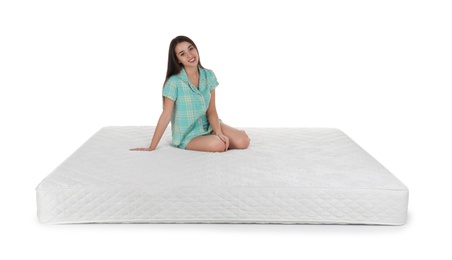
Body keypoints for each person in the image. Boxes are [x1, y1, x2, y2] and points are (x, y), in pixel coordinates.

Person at [130, 36, 250, 152]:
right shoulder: (174, 82)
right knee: (219, 144)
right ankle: (215, 139)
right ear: (178, 59)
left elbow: (212, 111)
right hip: (188, 135)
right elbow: (166, 116)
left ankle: (224, 135)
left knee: (243, 141)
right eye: (182, 54)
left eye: (191, 48)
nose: (190, 55)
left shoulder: (209, 75)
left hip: (209, 126)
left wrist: (218, 132)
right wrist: (152, 146)